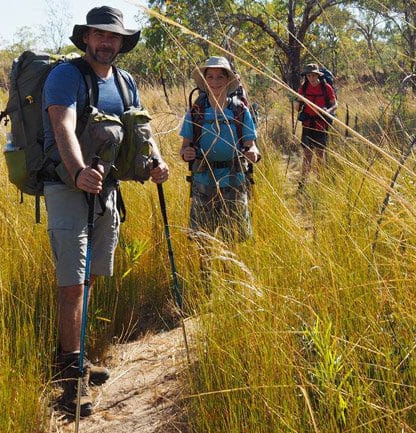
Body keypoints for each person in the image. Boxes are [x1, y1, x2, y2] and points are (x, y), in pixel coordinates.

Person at [42, 5, 169, 416]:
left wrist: (156, 161)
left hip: (108, 191)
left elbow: (141, 129)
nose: (106, 42)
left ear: (121, 43)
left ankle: (75, 352)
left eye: (113, 37)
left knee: (92, 274)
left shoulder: (126, 81)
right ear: (86, 38)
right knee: (72, 280)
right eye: (100, 35)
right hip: (68, 188)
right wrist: (78, 172)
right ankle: (70, 374)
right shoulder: (66, 76)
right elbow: (61, 124)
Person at [180, 56, 261, 244]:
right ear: (205, 81)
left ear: (228, 80)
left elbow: (251, 144)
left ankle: (228, 272)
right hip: (203, 180)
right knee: (203, 238)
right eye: (210, 77)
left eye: (220, 77)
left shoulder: (240, 110)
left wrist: (253, 153)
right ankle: (206, 273)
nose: (215, 82)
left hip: (234, 179)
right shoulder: (196, 111)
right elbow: (185, 147)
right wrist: (186, 153)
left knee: (233, 237)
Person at [296, 63, 337, 179]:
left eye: (314, 75)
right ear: (306, 76)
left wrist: (328, 111)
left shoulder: (326, 88)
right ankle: (303, 182)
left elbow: (335, 105)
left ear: (318, 75)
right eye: (309, 76)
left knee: (320, 154)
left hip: (321, 125)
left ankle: (319, 182)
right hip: (308, 125)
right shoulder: (303, 88)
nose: (311, 78)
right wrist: (297, 102)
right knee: (307, 155)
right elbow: (297, 108)